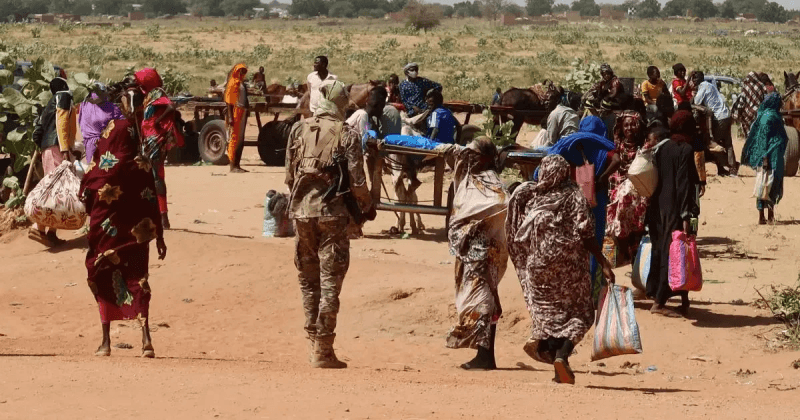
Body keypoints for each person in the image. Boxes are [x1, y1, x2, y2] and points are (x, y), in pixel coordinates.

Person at [285, 79, 376, 369]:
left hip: (300, 213)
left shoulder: (299, 128)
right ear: (340, 103)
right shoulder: (346, 133)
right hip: (332, 216)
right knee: (329, 283)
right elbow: (357, 181)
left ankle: (313, 343)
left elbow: (289, 176)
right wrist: (366, 206)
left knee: (307, 281)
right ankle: (324, 350)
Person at [506, 154, 615, 385]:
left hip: (538, 270)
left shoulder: (533, 198)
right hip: (570, 271)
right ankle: (562, 356)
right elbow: (586, 232)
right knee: (582, 313)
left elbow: (518, 232)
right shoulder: (575, 196)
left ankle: (558, 364)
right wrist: (602, 261)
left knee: (548, 318)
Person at [79, 85, 167, 357]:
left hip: (107, 236)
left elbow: (90, 186)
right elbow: (154, 203)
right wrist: (160, 237)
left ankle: (106, 342)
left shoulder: (103, 168)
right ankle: (145, 338)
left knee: (102, 273)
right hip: (136, 238)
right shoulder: (142, 166)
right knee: (138, 278)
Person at [436, 137, 508, 371]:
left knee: (484, 301)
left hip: (486, 253)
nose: (470, 159)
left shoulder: (494, 185)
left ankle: (485, 356)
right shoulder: (466, 178)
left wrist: (475, 230)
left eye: (475, 155)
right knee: (477, 300)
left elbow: (498, 212)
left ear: (487, 158)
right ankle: (484, 354)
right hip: (468, 252)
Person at [547, 116, 620, 303]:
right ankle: (592, 293)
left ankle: (571, 290)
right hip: (597, 200)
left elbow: (551, 158)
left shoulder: (571, 145)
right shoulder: (603, 149)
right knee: (595, 241)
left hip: (572, 200)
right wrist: (602, 178)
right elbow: (618, 160)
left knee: (573, 242)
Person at [646, 110, 701, 317]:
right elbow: (684, 184)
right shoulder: (685, 149)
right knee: (678, 251)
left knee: (668, 250)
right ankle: (659, 302)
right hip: (677, 209)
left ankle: (683, 300)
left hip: (658, 207)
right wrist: (686, 215)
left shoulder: (662, 148)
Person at [29, 77, 77, 247]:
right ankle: (39, 227)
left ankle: (50, 232)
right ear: (64, 86)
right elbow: (62, 122)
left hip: (47, 148)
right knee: (57, 189)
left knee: (54, 189)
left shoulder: (51, 102)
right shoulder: (64, 97)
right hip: (57, 147)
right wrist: (65, 149)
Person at [135, 68, 184, 229]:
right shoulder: (149, 94)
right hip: (150, 140)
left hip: (154, 140)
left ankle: (162, 216)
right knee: (152, 176)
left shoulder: (157, 93)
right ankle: (158, 215)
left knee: (154, 176)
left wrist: (157, 122)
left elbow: (170, 107)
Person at [606, 112, 649, 263]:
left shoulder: (644, 147)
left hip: (640, 190)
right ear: (621, 128)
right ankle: (625, 251)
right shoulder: (616, 147)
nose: (629, 128)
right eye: (626, 125)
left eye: (632, 124)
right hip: (619, 190)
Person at [741, 92, 788, 224]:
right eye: (779, 102)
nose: (781, 104)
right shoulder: (769, 117)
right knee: (767, 184)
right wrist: (765, 157)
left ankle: (767, 215)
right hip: (769, 156)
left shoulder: (770, 115)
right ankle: (765, 216)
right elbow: (763, 140)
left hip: (774, 155)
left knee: (768, 184)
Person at [692, 71, 738, 176]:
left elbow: (697, 101)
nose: (694, 81)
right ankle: (733, 167)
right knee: (728, 143)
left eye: (695, 79)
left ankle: (725, 164)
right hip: (726, 115)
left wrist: (694, 92)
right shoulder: (710, 85)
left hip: (718, 118)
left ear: (698, 79)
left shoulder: (703, 86)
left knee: (714, 144)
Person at [79, 83, 123, 165]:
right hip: (90, 145)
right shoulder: (85, 105)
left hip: (105, 144)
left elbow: (121, 124)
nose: (98, 95)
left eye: (101, 92)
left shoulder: (112, 108)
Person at [732, 72, 773, 140]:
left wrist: (738, 114)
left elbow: (741, 103)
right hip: (760, 113)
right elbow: (767, 98)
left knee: (748, 134)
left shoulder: (746, 87)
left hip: (749, 116)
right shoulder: (761, 86)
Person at [224, 63, 249, 173]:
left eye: (244, 71)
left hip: (242, 111)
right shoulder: (233, 83)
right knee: (234, 138)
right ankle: (232, 165)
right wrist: (230, 117)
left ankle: (237, 164)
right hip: (235, 111)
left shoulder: (241, 83)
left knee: (240, 138)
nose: (242, 73)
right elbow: (229, 102)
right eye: (240, 71)